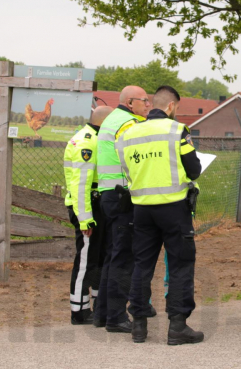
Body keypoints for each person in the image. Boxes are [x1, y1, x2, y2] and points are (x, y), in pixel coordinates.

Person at [116, 85, 204, 345]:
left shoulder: (128, 134)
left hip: (141, 209)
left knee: (142, 265)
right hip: (174, 208)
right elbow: (194, 169)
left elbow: (127, 170)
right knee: (179, 265)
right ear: (171, 106)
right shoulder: (177, 131)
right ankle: (177, 326)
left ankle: (138, 326)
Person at [95, 86, 151, 332]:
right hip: (123, 196)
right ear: (130, 102)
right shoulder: (129, 124)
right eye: (144, 100)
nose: (148, 105)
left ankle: (103, 314)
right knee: (124, 258)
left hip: (109, 195)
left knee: (113, 255)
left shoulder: (112, 119)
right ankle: (116, 317)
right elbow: (136, 158)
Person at [64, 105, 113, 325]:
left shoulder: (95, 138)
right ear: (105, 122)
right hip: (88, 206)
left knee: (98, 258)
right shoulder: (88, 142)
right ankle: (79, 311)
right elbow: (80, 184)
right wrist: (85, 219)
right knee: (86, 261)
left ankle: (97, 306)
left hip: (96, 205)